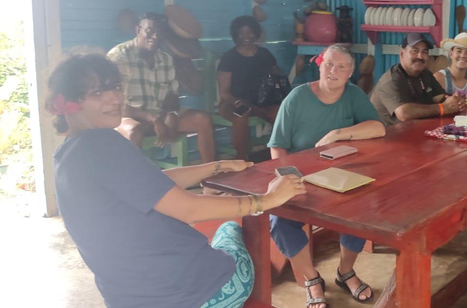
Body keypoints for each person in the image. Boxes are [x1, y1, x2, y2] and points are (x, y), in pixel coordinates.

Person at [49, 53, 306, 308]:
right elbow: (188, 209)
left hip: (129, 299)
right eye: (98, 93)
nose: (115, 98)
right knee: (230, 228)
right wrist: (267, 199)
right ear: (68, 103)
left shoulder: (69, 152)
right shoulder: (105, 143)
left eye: (116, 88)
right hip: (196, 296)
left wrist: (215, 167)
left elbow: (150, 182)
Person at [268, 44, 385, 307]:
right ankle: (311, 278)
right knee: (279, 220)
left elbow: (378, 127)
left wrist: (338, 133)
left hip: (341, 175)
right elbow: (277, 146)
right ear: (319, 64)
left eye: (341, 66)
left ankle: (345, 272)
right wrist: (288, 179)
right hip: (301, 175)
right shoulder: (297, 98)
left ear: (350, 73)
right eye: (329, 64)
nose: (333, 70)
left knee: (363, 207)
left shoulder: (353, 95)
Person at [108, 12, 216, 163]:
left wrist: (171, 114)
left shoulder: (165, 59)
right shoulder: (119, 57)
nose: (155, 37)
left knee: (202, 119)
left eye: (160, 33)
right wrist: (153, 119)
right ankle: (135, 182)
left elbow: (172, 93)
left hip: (160, 116)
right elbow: (114, 103)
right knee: (134, 131)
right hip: (130, 117)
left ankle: (211, 176)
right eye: (150, 31)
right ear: (138, 30)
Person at [217, 15, 282, 159]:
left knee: (280, 112)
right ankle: (241, 160)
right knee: (241, 113)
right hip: (233, 103)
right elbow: (224, 92)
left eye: (250, 32)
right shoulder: (229, 57)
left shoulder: (264, 54)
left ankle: (280, 154)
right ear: (236, 35)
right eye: (241, 33)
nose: (246, 36)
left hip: (261, 102)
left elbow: (277, 76)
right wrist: (236, 102)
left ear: (256, 33)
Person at [370, 32, 465, 126]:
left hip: (415, 131)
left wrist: (455, 101)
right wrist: (442, 108)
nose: (420, 56)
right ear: (402, 54)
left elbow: (439, 98)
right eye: (415, 51)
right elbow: (404, 113)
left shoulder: (426, 74)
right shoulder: (391, 80)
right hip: (388, 136)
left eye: (424, 52)